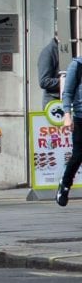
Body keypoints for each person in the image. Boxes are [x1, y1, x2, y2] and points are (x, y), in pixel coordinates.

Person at [58, 48, 82, 206]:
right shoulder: (77, 65)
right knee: (78, 155)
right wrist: (67, 114)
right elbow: (67, 92)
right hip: (81, 116)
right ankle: (65, 184)